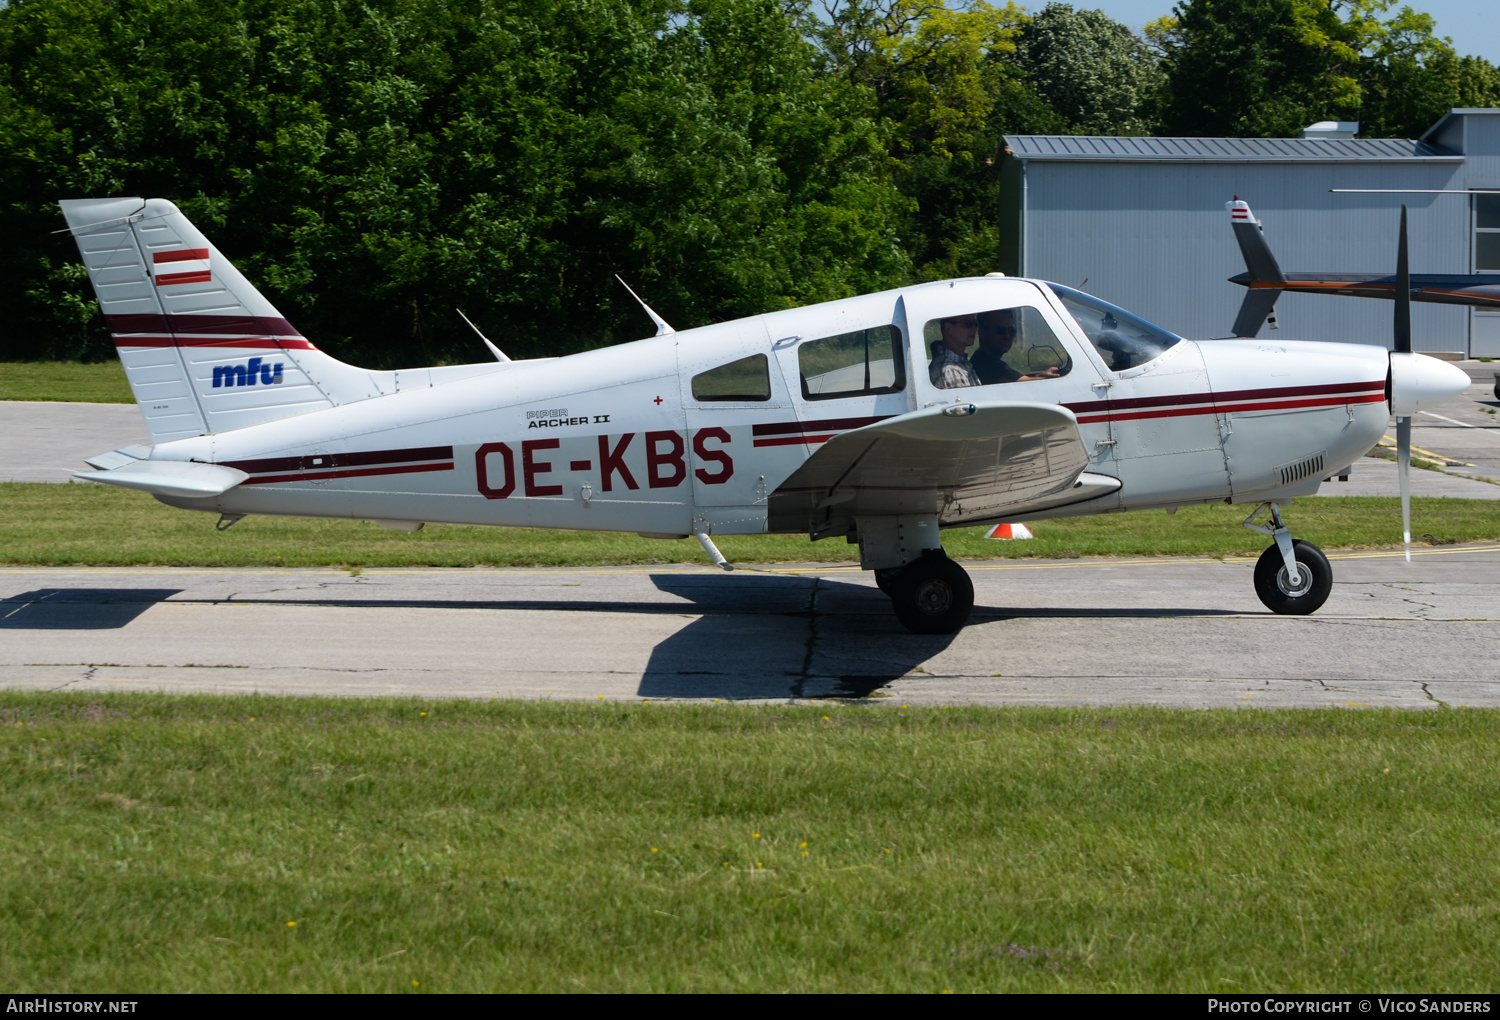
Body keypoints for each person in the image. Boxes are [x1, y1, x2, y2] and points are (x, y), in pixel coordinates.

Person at [972, 308, 1062, 385]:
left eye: (1011, 331)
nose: (1007, 336)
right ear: (982, 333)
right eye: (1000, 330)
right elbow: (1027, 383)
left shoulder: (987, 361)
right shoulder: (986, 365)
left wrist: (1040, 375)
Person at [929, 314, 980, 389]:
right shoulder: (950, 371)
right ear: (949, 328)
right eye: (968, 324)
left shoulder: (960, 363)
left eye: (976, 324)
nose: (975, 328)